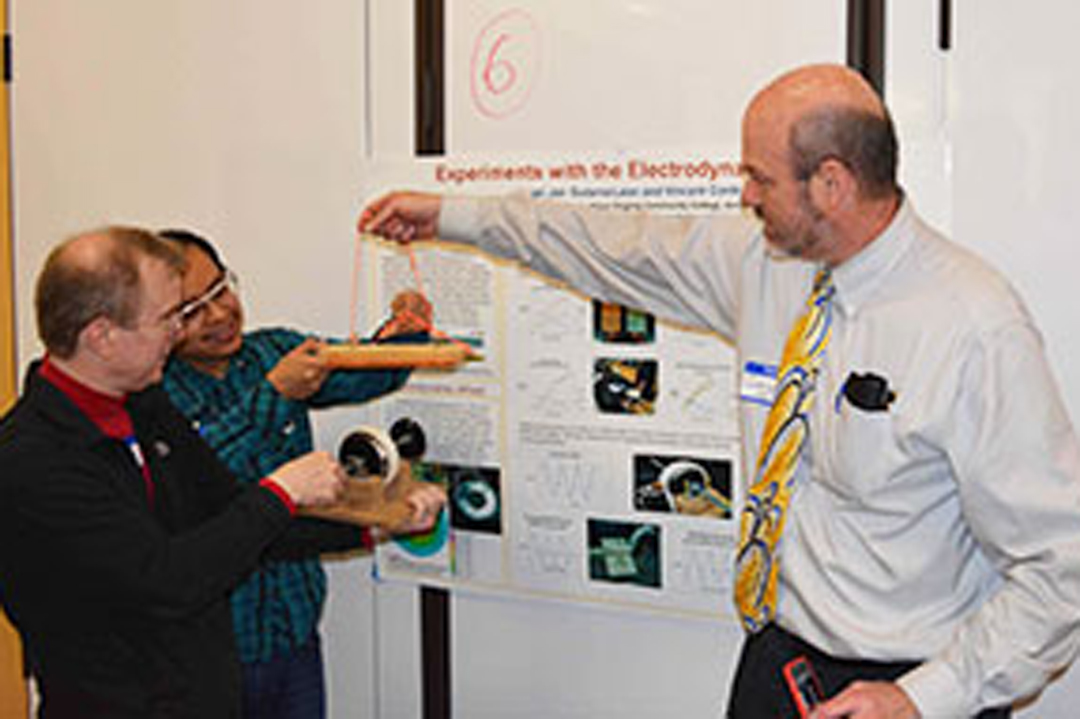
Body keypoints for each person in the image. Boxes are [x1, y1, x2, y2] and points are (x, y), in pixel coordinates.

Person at [358, 64, 1080, 719]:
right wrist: (455, 215)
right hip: (778, 654)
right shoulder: (766, 263)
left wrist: (924, 698)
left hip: (906, 679)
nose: (744, 194)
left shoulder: (972, 325)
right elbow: (611, 242)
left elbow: (1061, 564)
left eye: (759, 177)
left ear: (831, 183)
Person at [0, 227, 354, 718]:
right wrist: (280, 492)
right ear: (101, 336)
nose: (179, 331)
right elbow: (167, 582)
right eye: (169, 316)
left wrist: (373, 523)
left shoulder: (144, 406)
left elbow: (229, 513)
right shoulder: (32, 461)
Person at [158, 228, 444, 719]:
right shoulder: (151, 393)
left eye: (220, 289)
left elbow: (365, 370)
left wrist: (404, 332)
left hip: (294, 632)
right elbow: (202, 480)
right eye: (192, 310)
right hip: (210, 651)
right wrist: (275, 394)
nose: (222, 314)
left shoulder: (272, 351)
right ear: (155, 320)